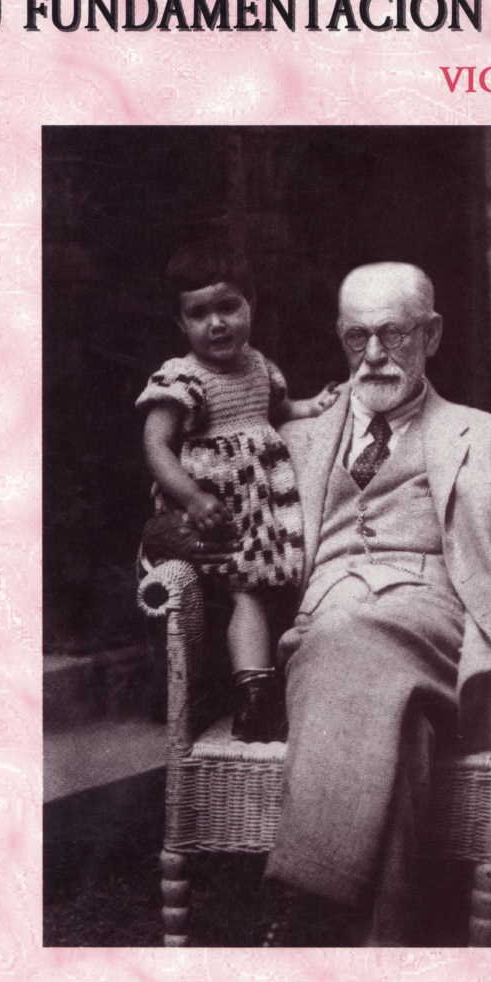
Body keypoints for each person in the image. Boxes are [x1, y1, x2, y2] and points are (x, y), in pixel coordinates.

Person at [263, 261, 491, 943]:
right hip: (320, 629)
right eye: (356, 337)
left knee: (354, 635)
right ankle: (382, 946)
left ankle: (309, 906)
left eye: (393, 334)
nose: (374, 355)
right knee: (399, 718)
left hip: (436, 623)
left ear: (433, 335)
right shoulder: (294, 439)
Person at [136, 243, 337, 741]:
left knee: (264, 591)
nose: (217, 324)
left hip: (262, 507)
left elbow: (278, 410)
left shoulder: (259, 367)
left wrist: (313, 406)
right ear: (181, 323)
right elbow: (156, 445)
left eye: (228, 307)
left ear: (252, 305)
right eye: (199, 313)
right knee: (238, 594)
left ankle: (269, 689)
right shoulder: (183, 377)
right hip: (212, 512)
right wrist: (193, 498)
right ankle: (251, 696)